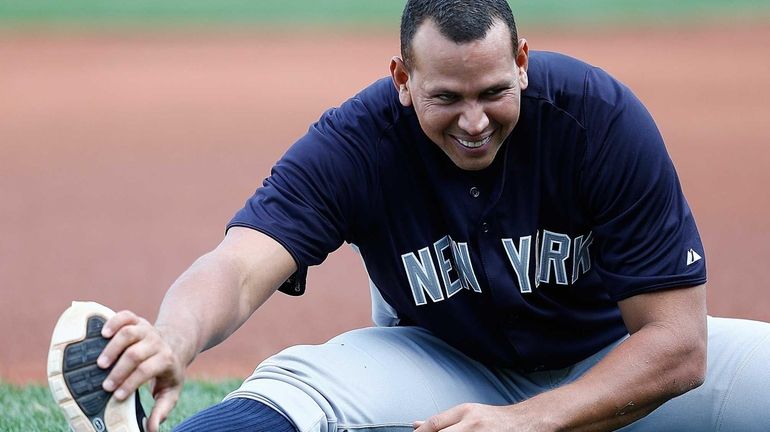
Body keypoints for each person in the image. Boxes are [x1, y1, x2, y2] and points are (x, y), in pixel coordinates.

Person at [48, 1, 770, 431]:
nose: (475, 121)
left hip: (613, 366)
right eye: (446, 98)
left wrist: (532, 420)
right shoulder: (358, 140)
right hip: (444, 366)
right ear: (402, 78)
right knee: (299, 386)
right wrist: (174, 337)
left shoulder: (600, 120)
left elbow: (678, 345)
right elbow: (240, 265)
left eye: (492, 90)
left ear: (521, 60)